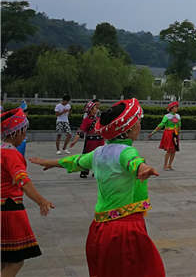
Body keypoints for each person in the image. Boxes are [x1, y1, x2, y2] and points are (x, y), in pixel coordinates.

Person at [29, 99, 164, 277]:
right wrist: (143, 168)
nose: (140, 124)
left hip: (100, 228)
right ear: (129, 129)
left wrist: (52, 163)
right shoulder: (127, 151)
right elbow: (133, 162)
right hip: (124, 229)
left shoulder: (99, 152)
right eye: (138, 121)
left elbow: (77, 161)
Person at [1, 106, 54, 277]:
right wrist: (41, 201)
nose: (25, 135)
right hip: (9, 210)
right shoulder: (11, 154)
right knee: (16, 261)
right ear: (16, 132)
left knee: (5, 258)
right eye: (24, 131)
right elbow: (22, 181)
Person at [149, 101, 181, 170]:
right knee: (169, 150)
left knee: (174, 150)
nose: (177, 108)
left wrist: (177, 133)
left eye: (177, 107)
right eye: (175, 107)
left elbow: (179, 125)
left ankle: (170, 165)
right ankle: (165, 165)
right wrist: (153, 132)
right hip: (169, 133)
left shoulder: (178, 116)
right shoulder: (167, 116)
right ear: (171, 108)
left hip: (175, 133)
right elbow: (161, 125)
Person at [76, 101, 105, 178]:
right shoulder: (87, 120)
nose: (97, 109)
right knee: (88, 156)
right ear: (91, 110)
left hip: (100, 141)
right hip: (91, 142)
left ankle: (96, 171)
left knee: (99, 156)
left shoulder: (99, 118)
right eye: (95, 107)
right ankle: (84, 171)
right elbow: (81, 130)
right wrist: (74, 141)